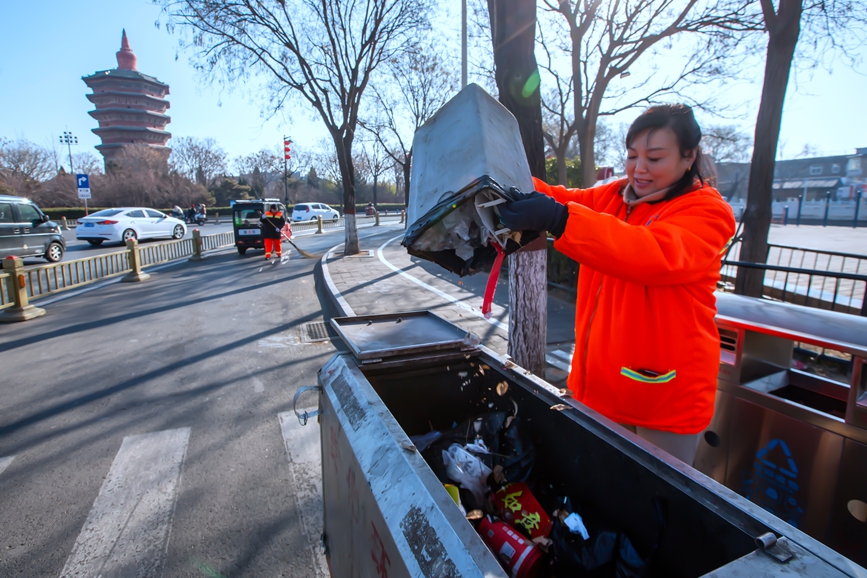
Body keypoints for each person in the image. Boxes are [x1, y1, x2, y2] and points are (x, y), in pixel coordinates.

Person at [498, 104, 735, 465]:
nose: (639, 169)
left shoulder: (706, 211)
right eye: (632, 156)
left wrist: (561, 220)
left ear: (689, 158)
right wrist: (502, 180)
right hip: (598, 391)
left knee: (654, 511)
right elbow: (558, 198)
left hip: (663, 403)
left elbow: (652, 254)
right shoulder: (614, 198)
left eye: (654, 158)